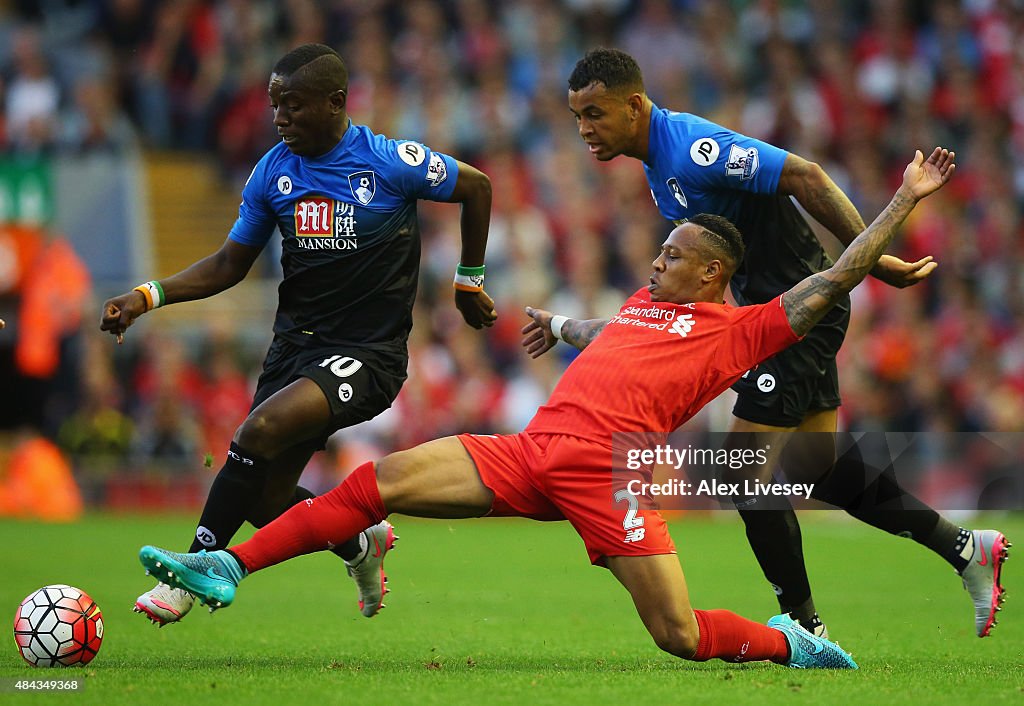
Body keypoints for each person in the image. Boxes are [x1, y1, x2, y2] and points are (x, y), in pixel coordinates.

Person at [138, 147, 954, 670]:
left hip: (610, 477)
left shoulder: (743, 331)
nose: (658, 259)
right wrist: (561, 325)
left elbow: (836, 277)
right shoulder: (644, 303)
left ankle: (793, 646)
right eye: (662, 250)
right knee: (377, 481)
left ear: (711, 274)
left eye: (675, 255)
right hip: (532, 451)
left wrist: (905, 198)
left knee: (677, 636)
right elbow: (611, 333)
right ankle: (228, 567)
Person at [566, 47, 1008, 639]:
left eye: (594, 113)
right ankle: (964, 548)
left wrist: (873, 260)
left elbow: (805, 175)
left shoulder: (695, 148)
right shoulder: (656, 165)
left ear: (634, 105)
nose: (584, 129)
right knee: (815, 466)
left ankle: (805, 628)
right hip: (777, 319)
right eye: (577, 116)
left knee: (742, 479)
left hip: (796, 314)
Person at [102, 44, 497, 626]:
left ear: (336, 102)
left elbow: (478, 187)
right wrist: (147, 296)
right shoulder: (273, 171)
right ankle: (361, 542)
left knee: (257, 429)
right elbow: (228, 265)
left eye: (292, 105)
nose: (280, 117)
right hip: (294, 348)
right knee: (265, 502)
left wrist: (468, 281)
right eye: (274, 105)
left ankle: (195, 569)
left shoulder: (390, 161)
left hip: (369, 355)